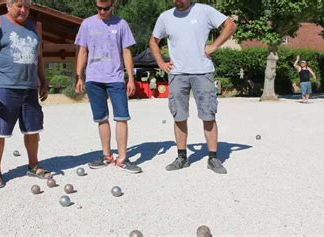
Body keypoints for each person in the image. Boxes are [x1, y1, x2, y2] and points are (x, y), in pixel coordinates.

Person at [149, 0, 236, 174]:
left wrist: (214, 46)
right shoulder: (165, 17)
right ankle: (182, 157)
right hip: (177, 73)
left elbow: (230, 25)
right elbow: (153, 41)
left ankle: (213, 158)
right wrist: (161, 63)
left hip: (202, 72)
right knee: (179, 116)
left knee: (208, 114)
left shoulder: (204, 11)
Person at [0, 0, 50, 188]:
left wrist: (43, 80)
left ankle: (33, 165)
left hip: (29, 87)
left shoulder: (34, 27)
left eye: (27, 6)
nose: (23, 10)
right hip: (3, 86)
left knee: (33, 129)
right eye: (19, 5)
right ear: (8, 5)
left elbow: (39, 56)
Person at [74, 0, 141, 173]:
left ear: (113, 5)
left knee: (122, 117)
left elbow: (126, 52)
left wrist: (131, 79)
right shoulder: (87, 24)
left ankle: (123, 158)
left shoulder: (121, 24)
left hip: (116, 78)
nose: (102, 11)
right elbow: (82, 51)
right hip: (94, 78)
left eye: (106, 8)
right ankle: (106, 155)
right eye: (99, 8)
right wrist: (79, 76)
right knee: (101, 118)